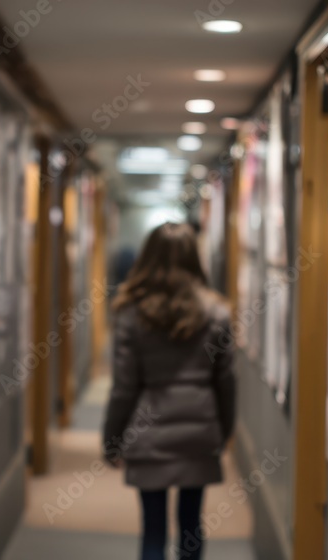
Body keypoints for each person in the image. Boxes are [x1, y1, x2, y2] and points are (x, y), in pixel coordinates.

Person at [103, 222, 236, 560]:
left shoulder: (132, 313)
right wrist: (223, 431)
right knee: (191, 525)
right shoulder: (216, 312)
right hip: (199, 430)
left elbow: (124, 388)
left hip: (148, 433)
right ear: (194, 259)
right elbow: (226, 382)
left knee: (153, 529)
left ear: (148, 257)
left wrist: (112, 439)